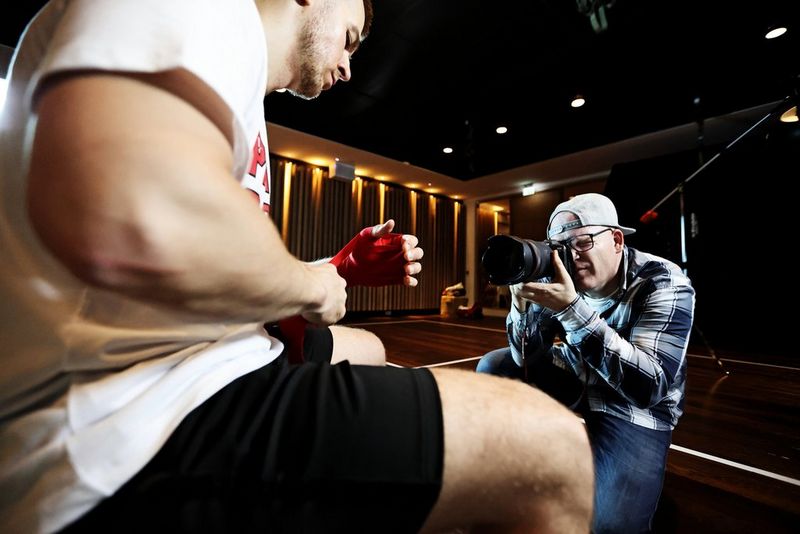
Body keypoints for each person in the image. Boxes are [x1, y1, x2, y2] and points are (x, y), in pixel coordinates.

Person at [0, 1, 594, 532]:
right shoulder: (204, 10)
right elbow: (137, 217)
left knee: (370, 349)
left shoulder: (241, 88)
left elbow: (207, 256)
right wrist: (310, 286)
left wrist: (336, 267)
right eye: (351, 38)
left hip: (201, 353)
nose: (349, 67)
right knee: (554, 452)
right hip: (122, 427)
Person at [477, 193, 696, 533]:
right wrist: (519, 307)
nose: (571, 256)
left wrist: (570, 310)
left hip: (633, 407)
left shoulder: (663, 281)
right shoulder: (558, 276)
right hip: (577, 375)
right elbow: (525, 360)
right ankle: (530, 459)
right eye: (560, 247)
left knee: (606, 524)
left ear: (616, 239)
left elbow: (649, 387)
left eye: (582, 242)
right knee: (496, 366)